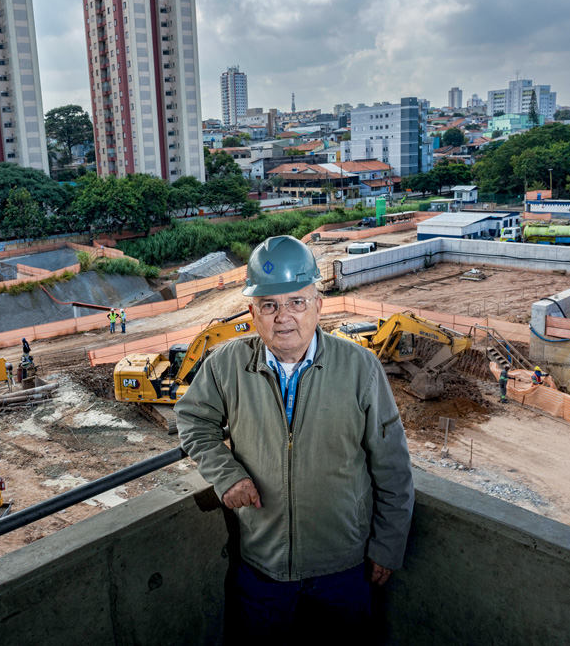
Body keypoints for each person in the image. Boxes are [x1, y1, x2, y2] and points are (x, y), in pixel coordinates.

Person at [177, 235, 414, 637]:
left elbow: (392, 467)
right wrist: (226, 473)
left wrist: (388, 546)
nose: (283, 316)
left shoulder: (360, 368)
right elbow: (193, 421)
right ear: (253, 311)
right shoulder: (227, 364)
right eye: (269, 305)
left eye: (296, 302)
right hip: (261, 566)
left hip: (344, 566)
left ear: (318, 306)